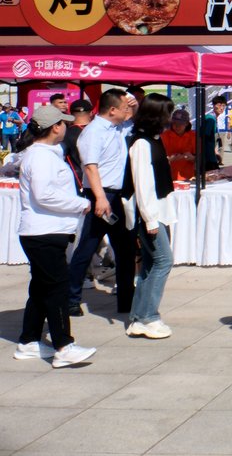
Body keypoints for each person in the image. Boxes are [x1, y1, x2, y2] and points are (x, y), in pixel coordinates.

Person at [13, 104, 96, 368]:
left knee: (41, 287)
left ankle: (29, 341)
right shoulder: (40, 157)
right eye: (63, 122)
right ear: (54, 128)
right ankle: (63, 345)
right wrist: (78, 204)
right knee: (57, 288)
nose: (66, 126)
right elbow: (44, 195)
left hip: (45, 231)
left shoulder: (46, 153)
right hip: (43, 232)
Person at [66, 88, 138, 317]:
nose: (128, 111)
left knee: (125, 248)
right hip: (101, 194)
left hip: (116, 196)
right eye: (124, 107)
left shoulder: (116, 127)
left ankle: (127, 299)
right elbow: (90, 166)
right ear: (113, 109)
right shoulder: (94, 132)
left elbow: (132, 117)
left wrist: (133, 104)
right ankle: (70, 298)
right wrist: (99, 198)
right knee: (87, 247)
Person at [124, 93, 177, 339]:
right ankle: (148, 317)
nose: (171, 118)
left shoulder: (153, 140)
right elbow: (142, 185)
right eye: (168, 113)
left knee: (150, 264)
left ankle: (138, 317)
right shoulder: (142, 144)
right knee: (163, 261)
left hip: (157, 212)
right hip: (149, 215)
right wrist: (150, 219)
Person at [61, 98, 93, 190]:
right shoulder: (98, 132)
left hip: (74, 182)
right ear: (91, 113)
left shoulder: (64, 134)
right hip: (100, 181)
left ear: (71, 114)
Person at [162, 108, 197, 181]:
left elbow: (201, 159)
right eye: (174, 123)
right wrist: (170, 159)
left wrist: (192, 158)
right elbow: (158, 159)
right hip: (168, 178)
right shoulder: (164, 136)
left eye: (180, 124)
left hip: (188, 178)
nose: (177, 126)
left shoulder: (193, 136)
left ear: (187, 124)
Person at [200, 94, 226, 172]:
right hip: (207, 157)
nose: (222, 108)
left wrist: (215, 151)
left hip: (210, 155)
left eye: (224, 106)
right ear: (214, 106)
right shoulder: (210, 119)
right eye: (220, 105)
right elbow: (204, 137)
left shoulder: (213, 118)